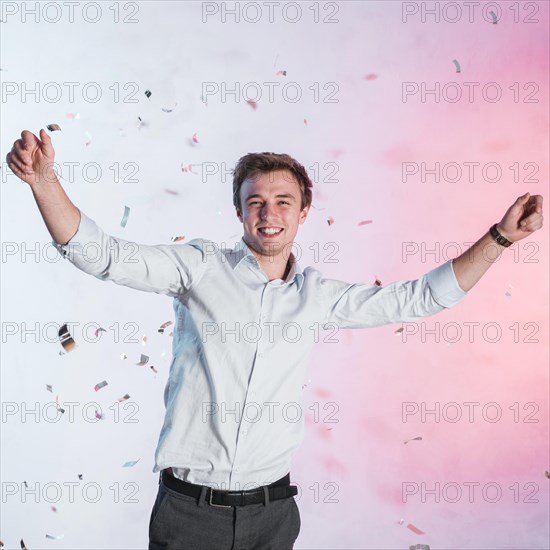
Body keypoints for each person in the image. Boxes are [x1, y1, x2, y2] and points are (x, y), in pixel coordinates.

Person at [6, 129, 544, 550]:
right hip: (189, 514)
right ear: (239, 211)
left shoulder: (319, 296)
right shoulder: (198, 268)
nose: (269, 214)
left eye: (283, 201)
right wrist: (45, 181)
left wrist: (499, 238)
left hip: (274, 514)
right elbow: (100, 254)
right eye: (256, 201)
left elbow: (422, 298)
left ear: (304, 211)